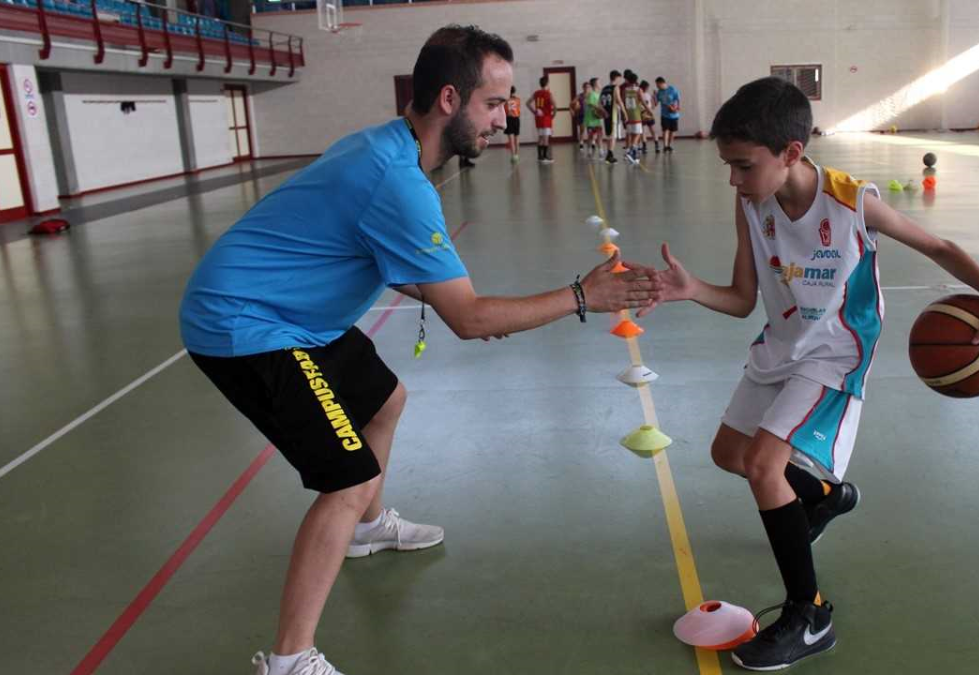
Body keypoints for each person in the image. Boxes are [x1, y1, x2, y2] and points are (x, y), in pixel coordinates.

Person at [179, 24, 660, 675]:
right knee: (343, 478)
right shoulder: (396, 180)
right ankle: (290, 659)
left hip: (297, 312)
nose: (503, 115)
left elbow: (384, 257)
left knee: (386, 400)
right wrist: (583, 295)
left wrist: (439, 286)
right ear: (448, 100)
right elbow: (468, 319)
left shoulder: (390, 147)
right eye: (493, 103)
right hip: (247, 322)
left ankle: (368, 528)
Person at [639, 77, 979, 671]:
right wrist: (692, 289)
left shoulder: (852, 202)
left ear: (791, 153)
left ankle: (809, 614)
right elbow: (744, 298)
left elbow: (937, 245)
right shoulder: (751, 202)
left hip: (836, 354)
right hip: (781, 346)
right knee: (729, 453)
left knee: (765, 467)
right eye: (729, 166)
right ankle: (826, 495)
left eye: (743, 166)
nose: (733, 180)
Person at [599, 70, 625, 164]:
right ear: (616, 77)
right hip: (613, 114)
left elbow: (599, 103)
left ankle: (609, 155)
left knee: (609, 135)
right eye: (619, 78)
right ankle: (610, 155)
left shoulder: (604, 88)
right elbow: (619, 101)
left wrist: (604, 111)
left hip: (606, 115)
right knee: (613, 136)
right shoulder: (615, 87)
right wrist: (624, 113)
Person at [529, 75, 556, 163]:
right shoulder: (548, 93)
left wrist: (534, 112)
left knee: (540, 137)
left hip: (539, 118)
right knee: (545, 138)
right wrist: (553, 115)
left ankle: (540, 156)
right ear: (547, 83)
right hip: (546, 118)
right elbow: (555, 106)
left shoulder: (536, 93)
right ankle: (545, 157)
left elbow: (527, 103)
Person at [621, 72, 645, 165]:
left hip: (628, 115)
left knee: (631, 134)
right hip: (636, 115)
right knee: (638, 133)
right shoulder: (638, 90)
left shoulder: (625, 90)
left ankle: (633, 154)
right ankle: (631, 151)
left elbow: (622, 102)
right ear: (636, 80)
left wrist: (623, 114)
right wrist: (649, 111)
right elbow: (643, 102)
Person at [655, 76, 680, 153]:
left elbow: (677, 99)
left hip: (674, 114)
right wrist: (654, 96)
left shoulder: (672, 89)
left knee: (672, 131)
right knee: (665, 130)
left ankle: (670, 145)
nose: (657, 86)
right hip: (664, 114)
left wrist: (675, 108)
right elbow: (656, 103)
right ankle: (665, 146)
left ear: (662, 83)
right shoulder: (659, 92)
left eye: (658, 85)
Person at [583, 76, 605, 159]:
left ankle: (601, 151)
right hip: (591, 120)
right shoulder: (592, 94)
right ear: (595, 84)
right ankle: (589, 150)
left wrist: (603, 111)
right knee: (591, 136)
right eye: (599, 82)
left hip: (597, 120)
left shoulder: (598, 94)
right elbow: (591, 105)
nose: (600, 84)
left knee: (599, 135)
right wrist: (600, 110)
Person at [639, 79, 658, 153]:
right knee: (647, 131)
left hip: (646, 114)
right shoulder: (642, 94)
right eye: (647, 87)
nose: (647, 89)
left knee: (649, 131)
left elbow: (654, 105)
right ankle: (652, 146)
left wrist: (654, 96)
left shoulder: (647, 95)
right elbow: (653, 106)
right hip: (645, 114)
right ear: (645, 87)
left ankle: (648, 146)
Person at [504, 85, 521, 162]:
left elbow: (505, 110)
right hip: (516, 119)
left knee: (510, 139)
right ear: (514, 91)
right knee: (516, 137)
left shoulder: (506, 100)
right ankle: (517, 155)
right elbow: (519, 109)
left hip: (509, 119)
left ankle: (513, 155)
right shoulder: (518, 99)